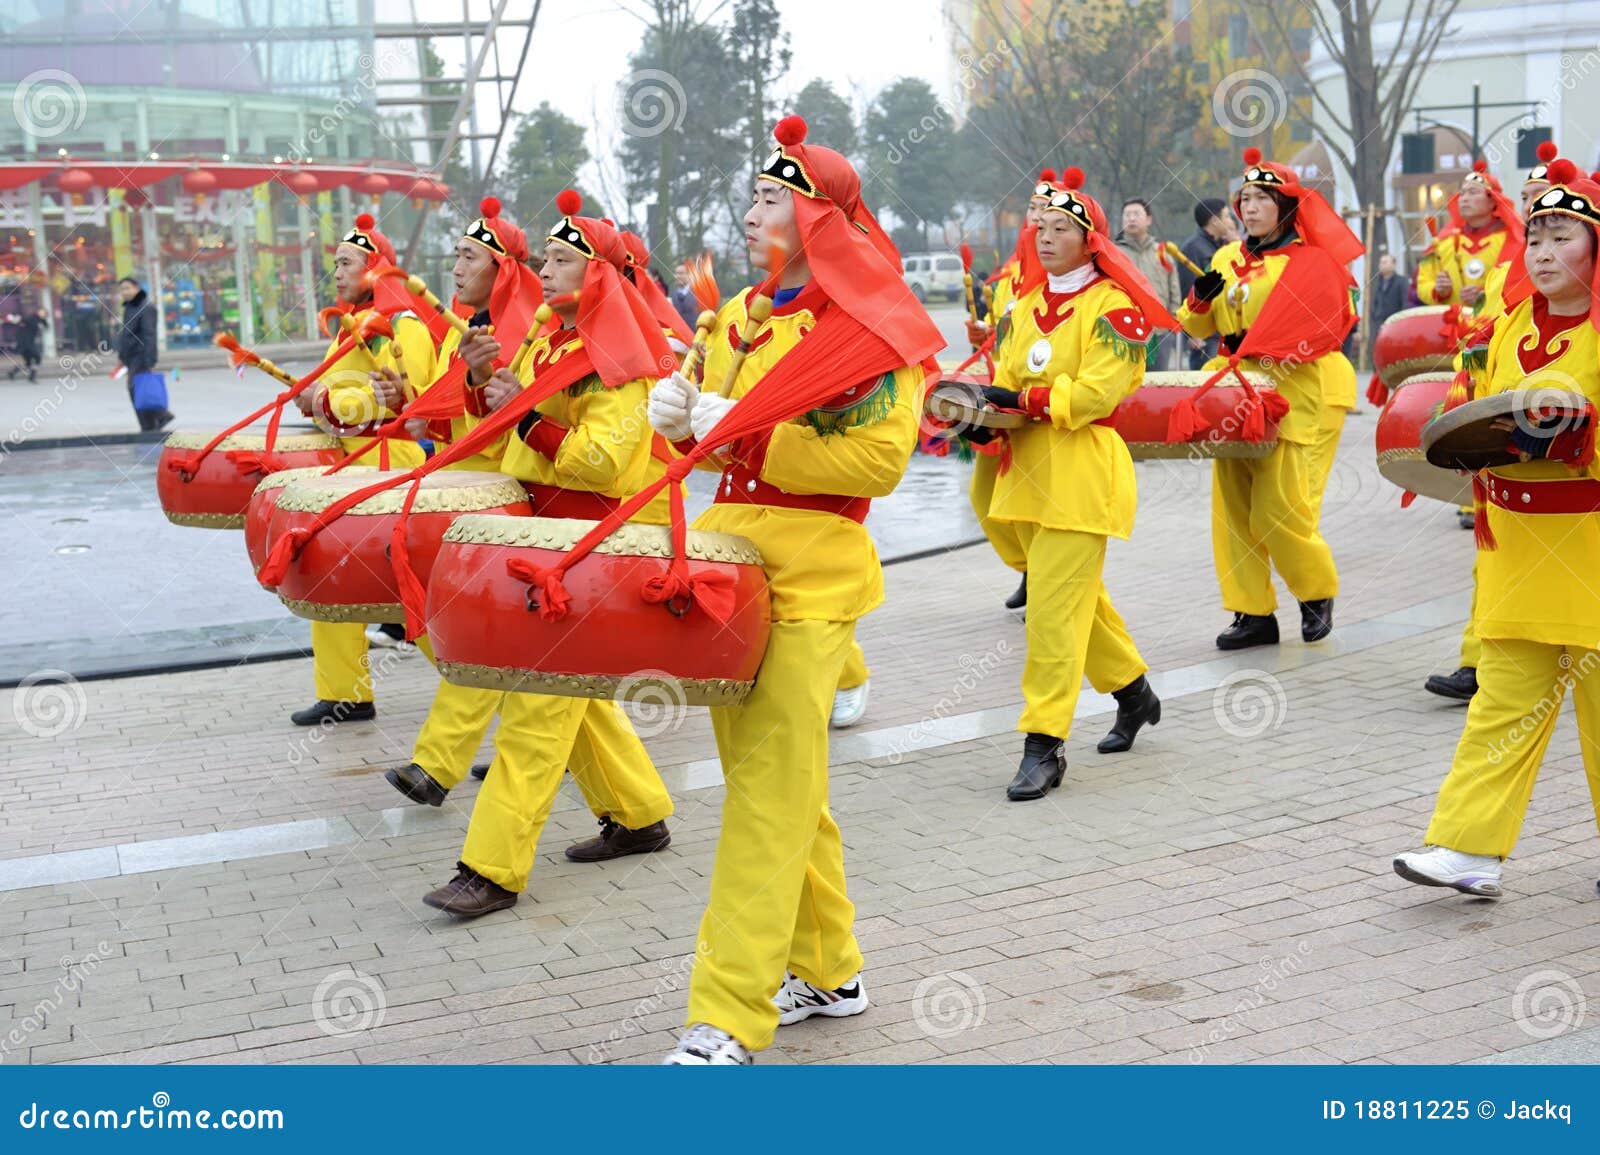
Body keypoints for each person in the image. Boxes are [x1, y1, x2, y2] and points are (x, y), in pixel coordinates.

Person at [647, 116, 944, 1064]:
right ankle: (830, 968)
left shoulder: (869, 326)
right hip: (730, 564)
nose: (748, 212)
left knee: (766, 798)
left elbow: (881, 458)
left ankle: (727, 1012)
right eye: (754, 195)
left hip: (812, 574)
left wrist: (753, 430)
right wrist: (672, 422)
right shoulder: (737, 315)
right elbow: (701, 441)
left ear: (819, 216)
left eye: (771, 197)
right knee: (775, 787)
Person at [415, 195, 676, 917]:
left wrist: (524, 411)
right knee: (572, 699)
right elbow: (505, 437)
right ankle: (638, 814)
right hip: (538, 538)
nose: (545, 268)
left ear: (599, 276)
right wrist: (481, 385)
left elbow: (603, 463)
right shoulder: (546, 339)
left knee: (534, 712)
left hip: (585, 550)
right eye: (546, 257)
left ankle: (491, 869)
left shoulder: (621, 359)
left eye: (564, 259)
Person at [1393, 151, 1600, 899]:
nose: (1542, 253)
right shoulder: (1509, 324)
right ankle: (1468, 848)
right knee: (1502, 705)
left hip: (1591, 550)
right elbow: (1477, 405)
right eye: (1536, 238)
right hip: (1515, 548)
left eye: (1562, 237)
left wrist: (1578, 436)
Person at [967, 167, 1170, 801]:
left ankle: (1043, 744)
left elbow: (1096, 393)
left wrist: (1019, 400)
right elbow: (1002, 381)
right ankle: (1135, 694)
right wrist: (983, 420)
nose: (1047, 237)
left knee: (1051, 617)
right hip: (1024, 473)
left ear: (1091, 241)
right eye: (1041, 227)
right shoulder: (1022, 306)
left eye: (1062, 228)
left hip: (1080, 473)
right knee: (1074, 599)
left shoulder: (1114, 308)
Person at [1178, 148, 1362, 651]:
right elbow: (1196, 326)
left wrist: (1272, 347)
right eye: (1246, 198)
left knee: (1279, 508)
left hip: (1287, 389)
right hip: (1230, 389)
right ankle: (1252, 612)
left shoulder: (1312, 263)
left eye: (1262, 198)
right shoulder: (1224, 258)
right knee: (1234, 510)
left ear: (1285, 206)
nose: (1250, 206)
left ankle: (1315, 592)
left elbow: (1330, 327)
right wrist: (1198, 298)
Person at [285, 213, 431, 729]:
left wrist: (326, 400)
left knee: (411, 593)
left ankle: (483, 680)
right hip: (350, 468)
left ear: (374, 267)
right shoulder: (351, 324)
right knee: (331, 580)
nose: (337, 273)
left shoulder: (403, 323)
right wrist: (317, 401)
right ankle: (344, 693)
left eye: (345, 262)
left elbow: (409, 398)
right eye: (335, 264)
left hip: (390, 466)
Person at [1422, 146, 1542, 703]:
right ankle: (1479, 664)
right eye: (1532, 209)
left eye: (1560, 227)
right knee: (1491, 559)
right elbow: (1438, 292)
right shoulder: (1498, 266)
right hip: (1510, 430)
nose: (1534, 214)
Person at [961, 168, 1060, 611]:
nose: (1036, 219)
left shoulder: (1061, 278)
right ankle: (1028, 567)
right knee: (983, 497)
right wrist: (983, 334)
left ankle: (1044, 576)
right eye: (1033, 210)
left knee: (1034, 499)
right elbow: (1004, 337)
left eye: (1047, 211)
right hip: (999, 396)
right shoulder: (1006, 277)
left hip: (1039, 404)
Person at [1418, 160, 1518, 311]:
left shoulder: (1513, 242)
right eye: (1462, 193)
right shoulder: (1443, 243)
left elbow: (1518, 286)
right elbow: (1422, 283)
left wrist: (1484, 296)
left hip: (1494, 329)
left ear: (1493, 200)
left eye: (1473, 192)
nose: (1464, 199)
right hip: (1450, 329)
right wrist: (1438, 291)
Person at [1113, 198, 1180, 370]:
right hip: (1124, 333)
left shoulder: (1162, 252)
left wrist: (1173, 320)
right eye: (1127, 215)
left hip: (1160, 333)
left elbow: (1174, 290)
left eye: (1136, 214)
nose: (1131, 219)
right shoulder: (1113, 253)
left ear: (1149, 219)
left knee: (1158, 387)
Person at [1179, 198, 1235, 370]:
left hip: (1221, 329)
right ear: (1214, 221)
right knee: (1207, 385)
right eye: (1226, 216)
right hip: (1205, 335)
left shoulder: (1220, 246)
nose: (1230, 221)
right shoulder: (1194, 247)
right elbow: (1189, 289)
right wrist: (1191, 334)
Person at [115, 276, 172, 430]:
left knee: (136, 388)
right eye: (122, 289)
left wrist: (150, 359)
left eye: (127, 288)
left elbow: (149, 334)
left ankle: (156, 419)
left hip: (141, 355)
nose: (125, 292)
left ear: (137, 288)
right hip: (131, 356)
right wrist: (121, 355)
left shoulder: (146, 308)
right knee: (138, 388)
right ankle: (156, 419)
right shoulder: (129, 308)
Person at [1367, 252, 1405, 364]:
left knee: (1393, 354)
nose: (1382, 265)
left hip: (1395, 324)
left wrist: (1400, 321)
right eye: (1381, 262)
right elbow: (1374, 303)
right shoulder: (1377, 283)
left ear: (1394, 265)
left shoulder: (1401, 282)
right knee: (1378, 352)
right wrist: (1375, 317)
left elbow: (1404, 303)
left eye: (1385, 262)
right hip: (1379, 324)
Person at [7, 308, 46, 382]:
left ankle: (13, 373)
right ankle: (32, 376)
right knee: (37, 357)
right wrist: (15, 319)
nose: (42, 314)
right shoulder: (32, 318)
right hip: (26, 343)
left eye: (44, 313)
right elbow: (22, 321)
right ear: (38, 312)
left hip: (28, 342)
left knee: (28, 362)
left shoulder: (40, 320)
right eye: (41, 312)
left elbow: (46, 326)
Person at [669, 262, 699, 330]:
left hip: (695, 334)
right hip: (678, 335)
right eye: (676, 273)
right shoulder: (673, 295)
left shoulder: (698, 294)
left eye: (681, 273)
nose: (678, 276)